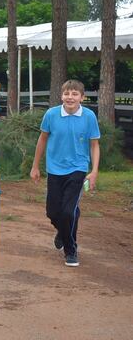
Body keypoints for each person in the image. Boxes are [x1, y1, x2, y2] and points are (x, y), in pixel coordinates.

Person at [30, 79, 100, 268]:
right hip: (54, 169)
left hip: (78, 168)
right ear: (61, 96)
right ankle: (62, 230)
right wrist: (35, 166)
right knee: (53, 211)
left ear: (82, 98)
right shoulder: (51, 115)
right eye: (67, 93)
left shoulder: (89, 117)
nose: (70, 97)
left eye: (75, 94)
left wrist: (94, 171)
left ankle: (71, 250)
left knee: (68, 211)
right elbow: (42, 139)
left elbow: (94, 145)